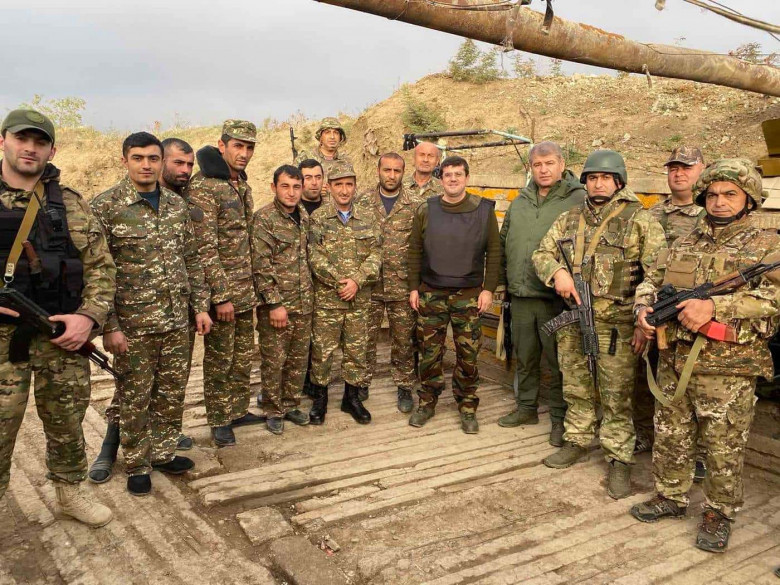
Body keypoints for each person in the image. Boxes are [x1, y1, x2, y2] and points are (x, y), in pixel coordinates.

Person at [631, 159, 780, 553]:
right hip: (675, 359)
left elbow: (774, 299)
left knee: (723, 444)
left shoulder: (767, 246)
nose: (719, 201)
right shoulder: (684, 242)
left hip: (728, 367)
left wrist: (716, 307)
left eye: (730, 194)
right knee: (671, 434)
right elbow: (651, 281)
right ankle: (671, 495)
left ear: (749, 199)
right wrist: (643, 310)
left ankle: (719, 512)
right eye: (712, 194)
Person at [0, 109, 116, 526]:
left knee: (67, 421)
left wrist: (88, 318)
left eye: (40, 142)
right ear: (3, 142)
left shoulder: (71, 204)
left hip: (59, 335)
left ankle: (70, 492)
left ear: (52, 150)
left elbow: (101, 268)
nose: (30, 148)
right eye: (22, 139)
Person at [532, 149, 666, 499]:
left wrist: (642, 316)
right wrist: (557, 273)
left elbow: (657, 273)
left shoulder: (640, 220)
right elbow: (541, 253)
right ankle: (577, 439)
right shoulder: (569, 218)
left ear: (618, 181)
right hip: (575, 319)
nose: (599, 184)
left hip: (618, 325)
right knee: (575, 386)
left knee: (616, 395)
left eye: (606, 178)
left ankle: (619, 457)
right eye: (593, 178)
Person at [90, 132, 212, 496]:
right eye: (138, 158)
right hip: (133, 325)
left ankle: (162, 453)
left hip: (177, 321)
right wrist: (110, 326)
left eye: (153, 158)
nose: (146, 165)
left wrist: (200, 306)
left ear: (161, 161)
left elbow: (191, 258)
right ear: (125, 160)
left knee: (171, 392)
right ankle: (137, 464)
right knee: (134, 396)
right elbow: (98, 271)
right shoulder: (106, 207)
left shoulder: (176, 206)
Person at [497, 141, 586, 447]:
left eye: (549, 163)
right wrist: (502, 283)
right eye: (537, 165)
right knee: (525, 356)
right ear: (530, 168)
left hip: (555, 299)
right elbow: (504, 241)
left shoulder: (578, 199)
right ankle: (526, 407)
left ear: (562, 164)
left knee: (560, 361)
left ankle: (560, 418)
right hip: (521, 294)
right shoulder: (520, 201)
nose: (544, 170)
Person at [407, 155, 500, 434]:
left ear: (467, 178)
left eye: (458, 174)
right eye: (447, 174)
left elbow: (494, 252)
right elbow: (415, 250)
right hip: (431, 294)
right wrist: (413, 287)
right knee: (429, 354)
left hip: (468, 296)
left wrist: (488, 289)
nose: (453, 179)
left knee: (468, 355)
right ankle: (427, 401)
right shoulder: (426, 209)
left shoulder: (483, 210)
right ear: (441, 179)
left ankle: (467, 405)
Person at [184, 121, 261, 447]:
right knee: (220, 359)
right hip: (224, 293)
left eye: (249, 147)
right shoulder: (204, 187)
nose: (244, 153)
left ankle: (238, 410)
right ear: (222, 146)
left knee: (242, 356)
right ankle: (219, 419)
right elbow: (205, 248)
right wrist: (220, 296)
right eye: (237, 146)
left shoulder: (239, 182)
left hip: (245, 289)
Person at [633, 146, 706, 458]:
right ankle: (646, 436)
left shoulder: (710, 215)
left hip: (696, 314)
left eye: (686, 167)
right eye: (673, 167)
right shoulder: (651, 215)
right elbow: (639, 269)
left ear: (702, 170)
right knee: (644, 377)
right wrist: (639, 316)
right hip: (652, 308)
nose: (678, 173)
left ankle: (698, 453)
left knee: (695, 386)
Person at [308, 162, 380, 425]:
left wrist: (357, 281)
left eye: (349, 184)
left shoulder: (368, 217)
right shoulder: (318, 219)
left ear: (355, 186)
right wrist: (340, 283)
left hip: (359, 300)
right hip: (328, 300)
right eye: (338, 184)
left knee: (356, 351)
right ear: (329, 187)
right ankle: (320, 399)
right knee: (322, 352)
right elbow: (314, 256)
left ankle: (352, 398)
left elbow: (377, 254)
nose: (344, 190)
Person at [356, 152, 424, 412]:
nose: (392, 175)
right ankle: (361, 382)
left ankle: (404, 385)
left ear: (403, 173)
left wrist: (418, 285)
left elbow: (422, 244)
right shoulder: (362, 201)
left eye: (397, 171)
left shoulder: (416, 204)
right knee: (364, 338)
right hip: (369, 284)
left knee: (403, 340)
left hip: (402, 284)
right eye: (387, 170)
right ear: (378, 171)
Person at [252, 165, 313, 434]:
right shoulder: (264, 219)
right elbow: (260, 265)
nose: (291, 192)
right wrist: (274, 303)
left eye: (296, 187)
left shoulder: (304, 216)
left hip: (304, 302)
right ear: (274, 187)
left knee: (297, 360)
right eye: (285, 186)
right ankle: (273, 409)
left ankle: (290, 404)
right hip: (278, 305)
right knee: (274, 360)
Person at [294, 117, 351, 183]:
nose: (332, 137)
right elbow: (293, 183)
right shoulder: (305, 157)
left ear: (340, 137)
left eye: (336, 133)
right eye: (327, 132)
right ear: (320, 137)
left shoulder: (345, 161)